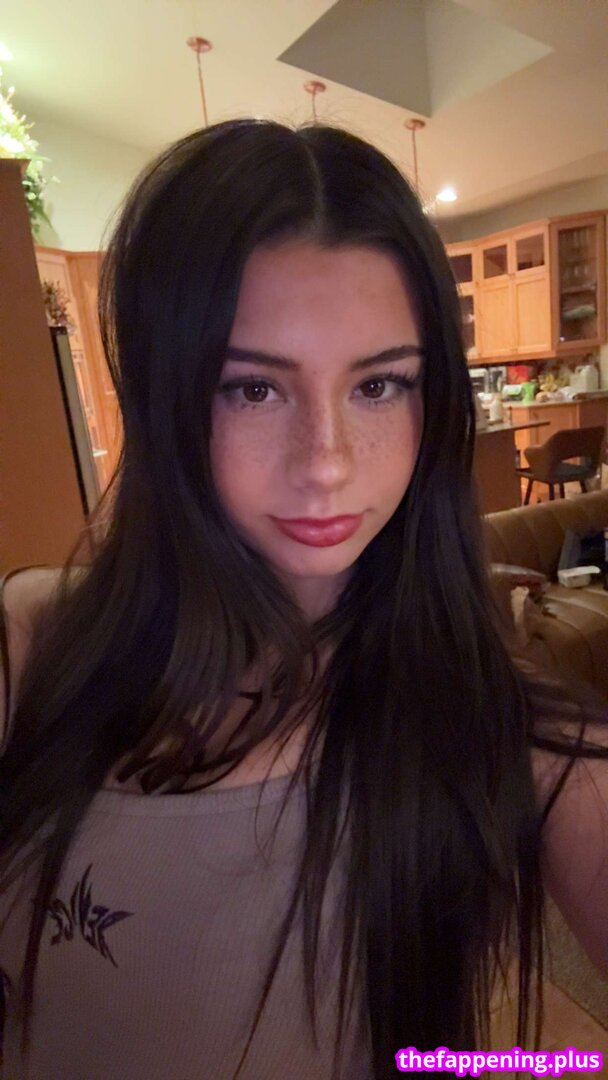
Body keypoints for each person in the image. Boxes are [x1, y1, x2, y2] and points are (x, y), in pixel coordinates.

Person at [0, 119, 607, 1080]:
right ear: (165, 398)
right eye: (252, 390)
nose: (326, 463)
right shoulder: (34, 642)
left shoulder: (509, 733)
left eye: (380, 386)